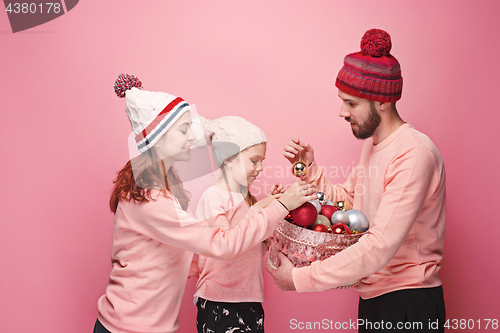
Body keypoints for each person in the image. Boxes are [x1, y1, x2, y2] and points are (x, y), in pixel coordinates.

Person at [93, 74, 316, 333]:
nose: (192, 138)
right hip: (128, 327)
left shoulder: (162, 188)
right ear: (159, 137)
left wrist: (210, 270)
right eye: (184, 130)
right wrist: (282, 206)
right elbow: (222, 243)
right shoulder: (151, 198)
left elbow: (159, 253)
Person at [266, 29, 447, 333]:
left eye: (351, 103)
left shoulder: (414, 154)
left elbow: (379, 246)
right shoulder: (374, 145)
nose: (342, 112)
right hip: (375, 297)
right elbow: (348, 205)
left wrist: (299, 279)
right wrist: (309, 169)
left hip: (408, 303)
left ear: (382, 102)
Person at [193, 116, 286, 333]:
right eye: (254, 160)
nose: (260, 167)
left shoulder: (245, 198)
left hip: (249, 299)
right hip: (219, 301)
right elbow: (224, 245)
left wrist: (269, 221)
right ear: (228, 158)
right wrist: (262, 207)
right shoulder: (214, 197)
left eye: (262, 161)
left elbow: (251, 249)